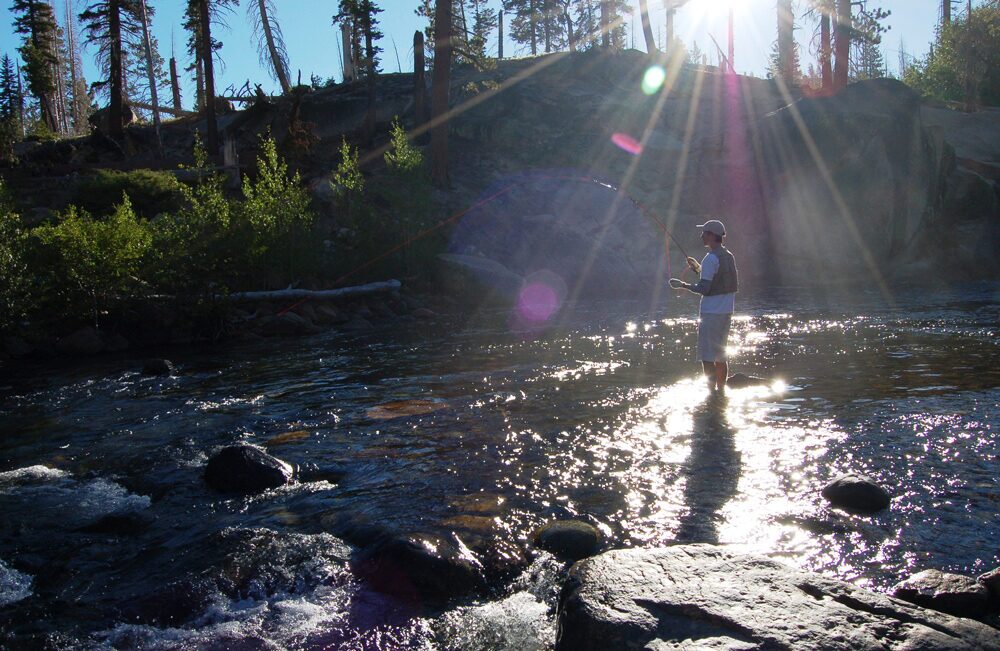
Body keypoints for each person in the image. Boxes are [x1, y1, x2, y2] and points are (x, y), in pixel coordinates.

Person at [669, 219, 739, 393]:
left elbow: (705, 289)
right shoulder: (728, 256)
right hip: (726, 312)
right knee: (721, 354)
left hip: (711, 314)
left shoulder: (710, 258)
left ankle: (711, 393)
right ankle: (721, 391)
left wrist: (682, 285)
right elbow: (719, 280)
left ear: (711, 236)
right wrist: (699, 269)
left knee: (707, 357)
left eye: (704, 233)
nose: (701, 235)